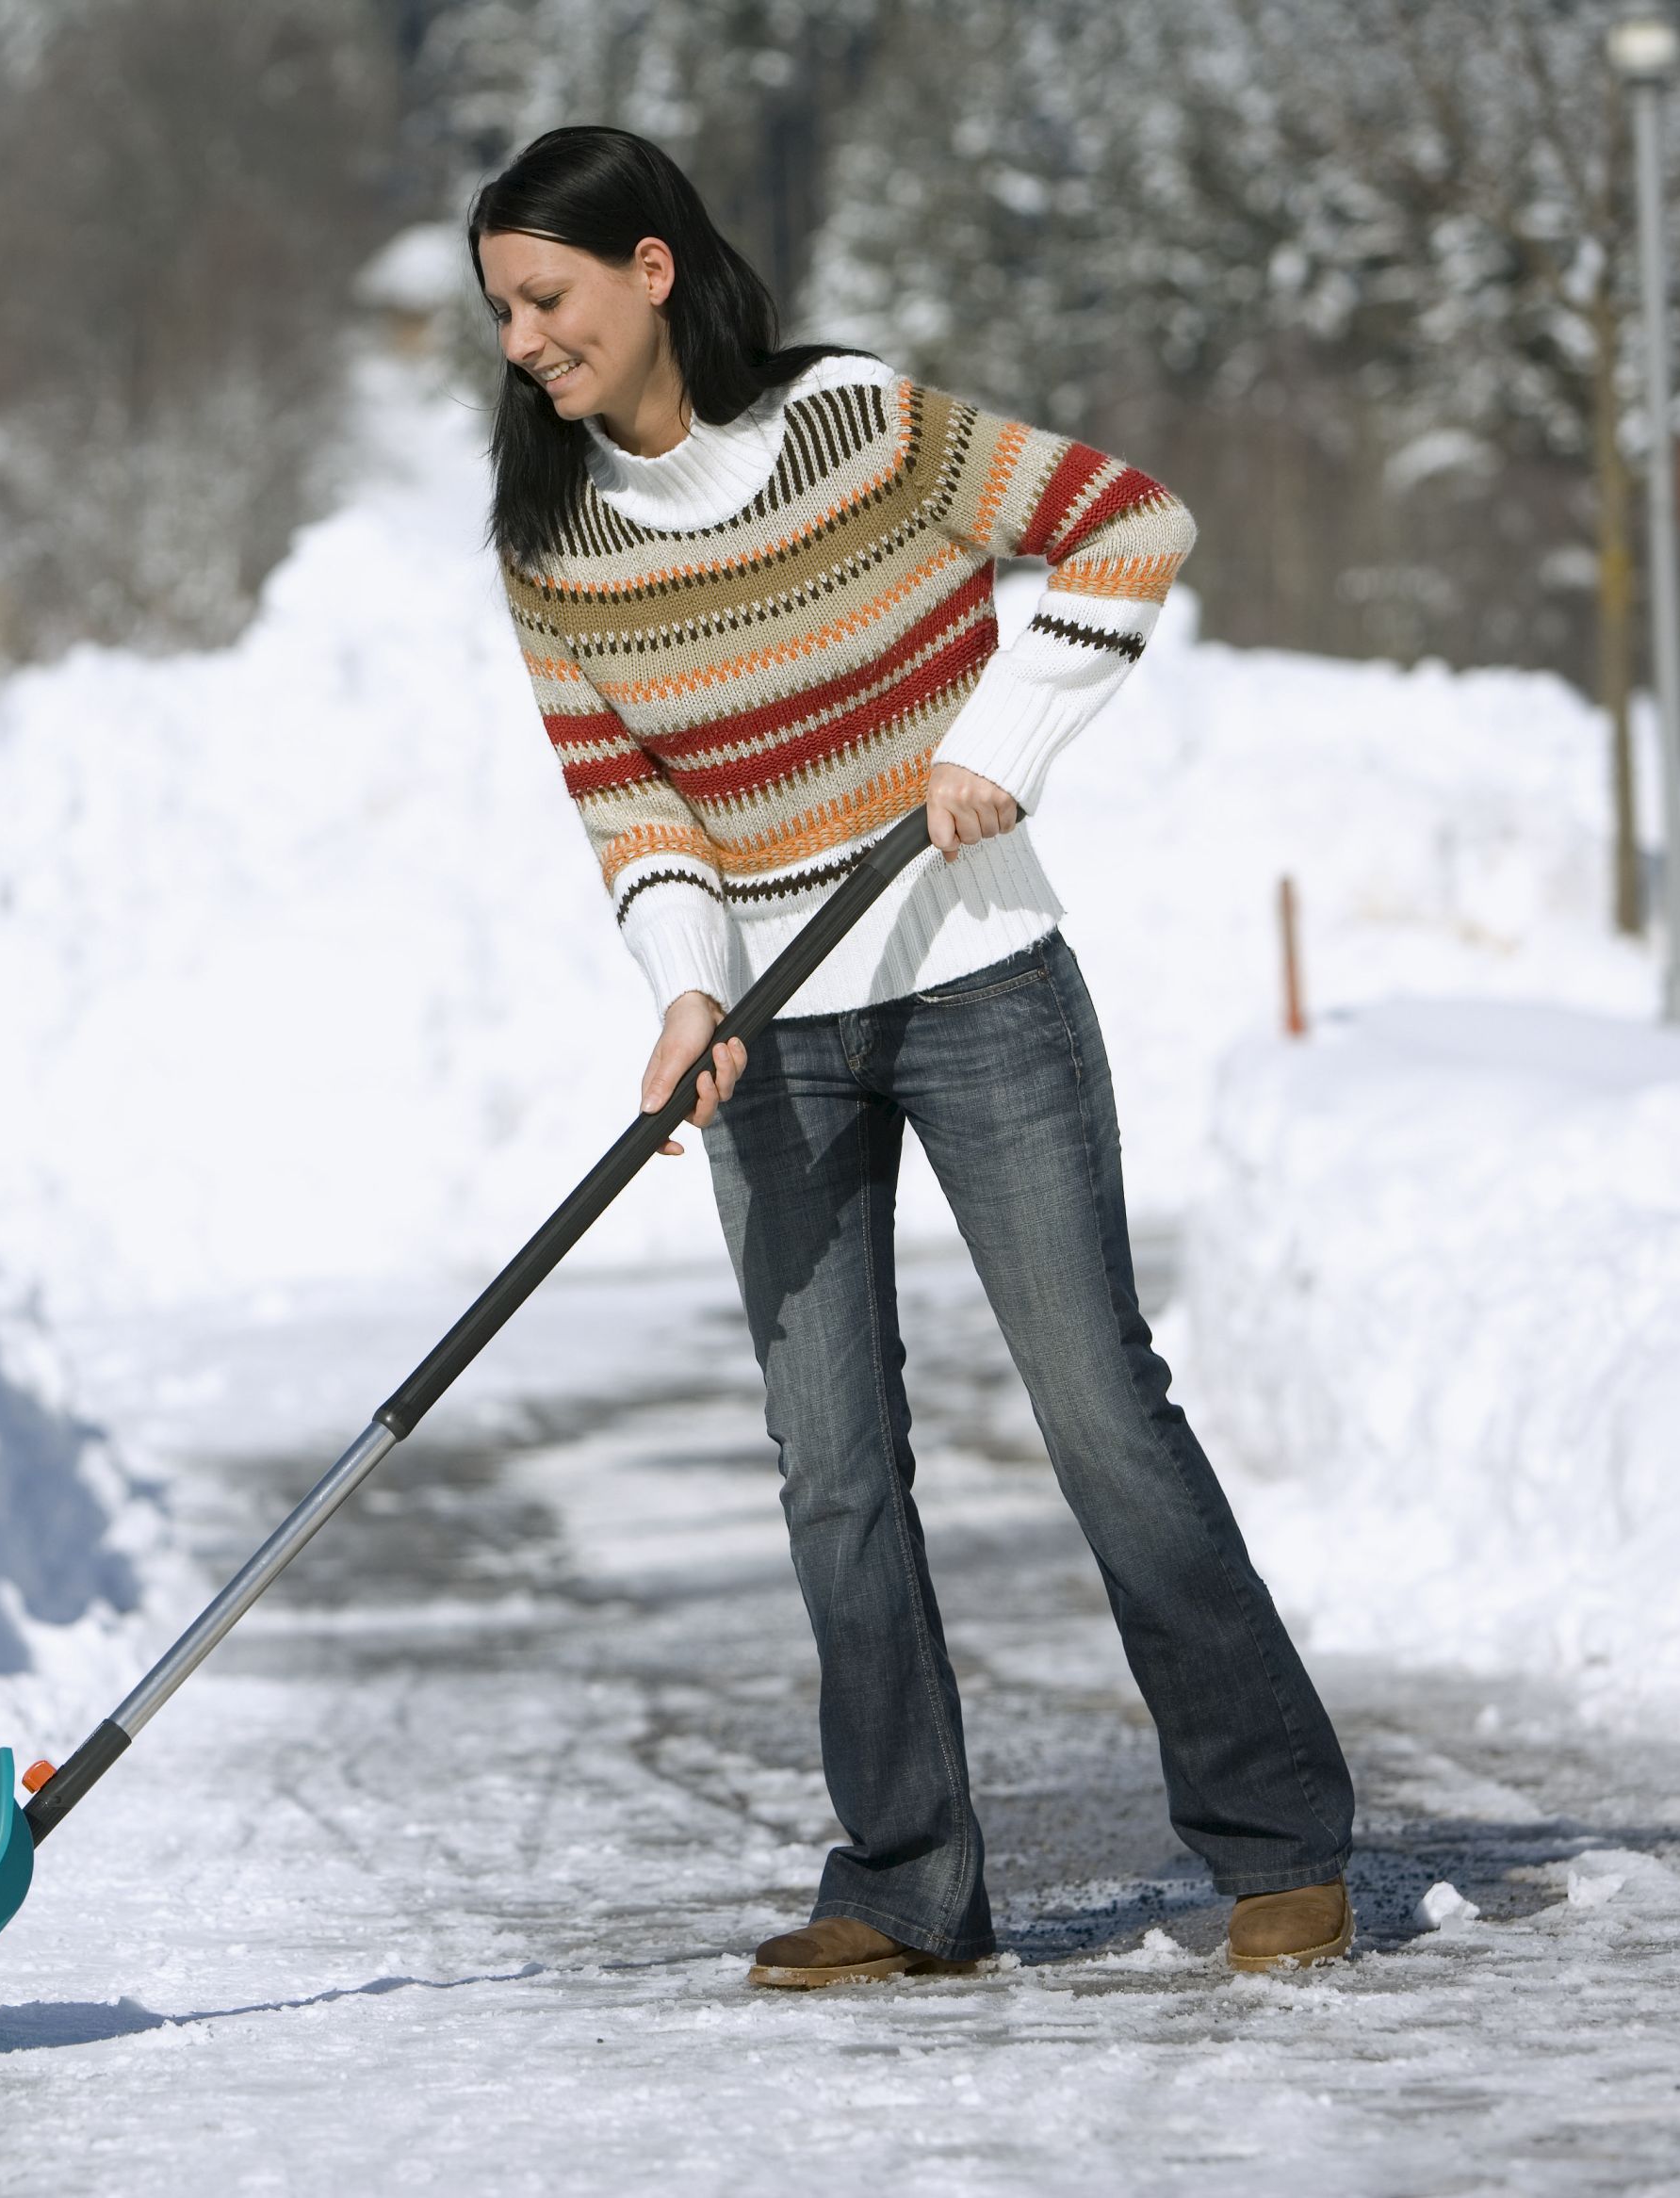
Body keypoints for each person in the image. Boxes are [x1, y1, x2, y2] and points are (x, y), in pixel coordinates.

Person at [472, 125, 1356, 1986]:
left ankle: (1275, 1841)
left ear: (650, 268)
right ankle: (904, 1881)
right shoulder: (550, 546)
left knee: (1098, 1408)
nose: (522, 342)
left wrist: (1005, 740)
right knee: (830, 1460)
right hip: (772, 1036)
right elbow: (627, 805)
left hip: (979, 981)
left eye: (542, 297)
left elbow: (1129, 522)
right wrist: (689, 987)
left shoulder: (858, 429)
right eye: (499, 313)